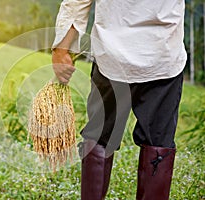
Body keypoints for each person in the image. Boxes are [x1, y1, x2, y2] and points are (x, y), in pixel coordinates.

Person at [51, 1, 187, 200]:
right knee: (158, 143)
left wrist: (62, 48)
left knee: (100, 138)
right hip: (162, 55)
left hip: (112, 56)